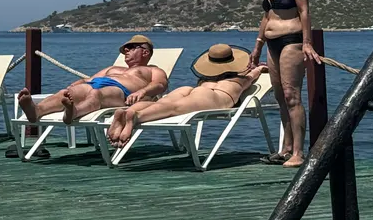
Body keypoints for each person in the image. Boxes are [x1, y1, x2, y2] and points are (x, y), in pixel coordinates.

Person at [247, 0, 319, 169]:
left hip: (291, 39)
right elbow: (267, 14)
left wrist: (307, 42)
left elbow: (304, 10)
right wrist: (258, 46)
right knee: (280, 97)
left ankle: (299, 152)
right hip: (271, 42)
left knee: (291, 95)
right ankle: (286, 149)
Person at [108, 44, 268, 147]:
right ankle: (136, 117)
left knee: (161, 104)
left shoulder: (205, 78)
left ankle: (130, 111)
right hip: (215, 96)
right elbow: (252, 74)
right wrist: (259, 69)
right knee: (173, 108)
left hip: (189, 89)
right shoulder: (240, 80)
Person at [16, 36, 167, 126]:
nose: (126, 51)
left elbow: (160, 84)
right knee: (65, 93)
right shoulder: (113, 68)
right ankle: (36, 110)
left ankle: (74, 112)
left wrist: (142, 91)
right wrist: (74, 85)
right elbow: (89, 79)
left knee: (96, 94)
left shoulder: (153, 70)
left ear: (145, 52)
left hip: (123, 92)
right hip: (95, 84)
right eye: (125, 49)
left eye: (131, 47)